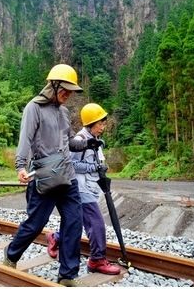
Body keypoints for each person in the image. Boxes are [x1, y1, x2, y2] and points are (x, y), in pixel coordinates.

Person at [3, 64, 102, 287]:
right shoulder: (34, 108)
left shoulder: (64, 112)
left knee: (74, 223)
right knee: (35, 224)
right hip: (44, 176)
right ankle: (11, 255)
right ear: (53, 85)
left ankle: (68, 274)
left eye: (71, 92)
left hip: (67, 177)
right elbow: (25, 140)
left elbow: (69, 143)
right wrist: (20, 166)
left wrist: (88, 143)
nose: (67, 95)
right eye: (64, 90)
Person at [46, 103, 121, 275]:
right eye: (100, 123)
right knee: (96, 224)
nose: (103, 127)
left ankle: (55, 238)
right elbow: (71, 164)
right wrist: (94, 167)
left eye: (103, 123)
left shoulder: (96, 141)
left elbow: (96, 162)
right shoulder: (80, 140)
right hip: (80, 188)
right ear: (91, 123)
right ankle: (97, 259)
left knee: (76, 224)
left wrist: (101, 167)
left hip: (91, 187)